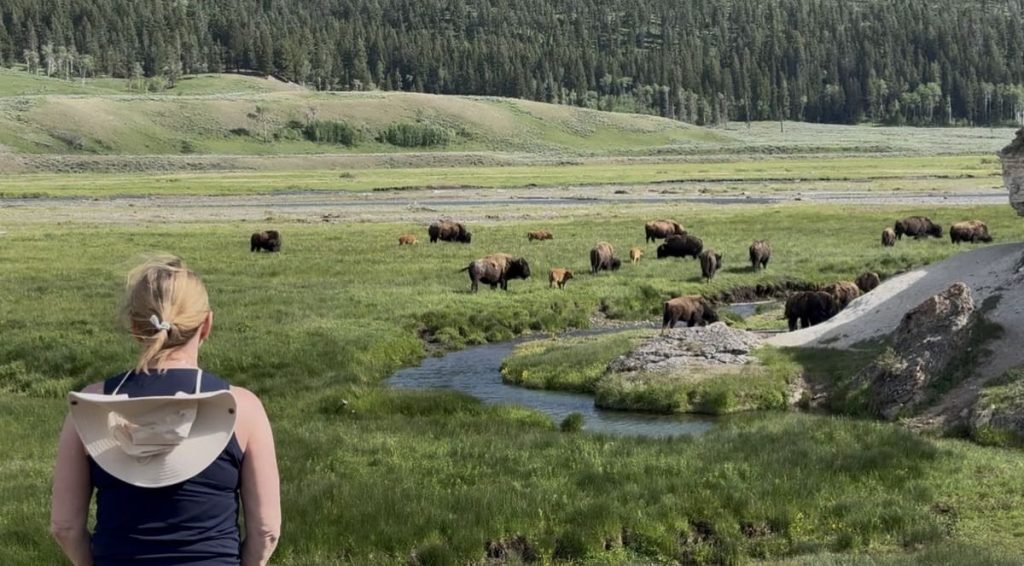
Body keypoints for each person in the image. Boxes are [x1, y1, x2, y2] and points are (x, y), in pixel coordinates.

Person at [50, 256, 281, 565]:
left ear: (135, 326)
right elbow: (266, 531)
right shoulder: (243, 408)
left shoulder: (91, 406)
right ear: (206, 324)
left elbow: (65, 527)